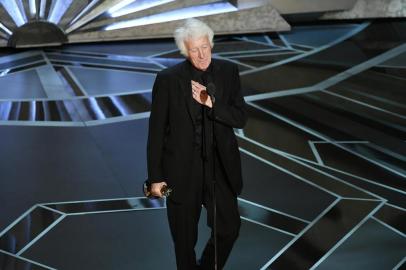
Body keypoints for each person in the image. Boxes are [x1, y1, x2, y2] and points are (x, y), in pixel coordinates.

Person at [147, 18, 247, 270]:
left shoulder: (228, 72)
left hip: (220, 169)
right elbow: (156, 132)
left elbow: (240, 118)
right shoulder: (168, 79)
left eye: (205, 47)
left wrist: (212, 105)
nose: (201, 54)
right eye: (194, 49)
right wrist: (155, 178)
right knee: (183, 241)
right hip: (182, 171)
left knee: (229, 229)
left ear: (211, 44)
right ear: (185, 51)